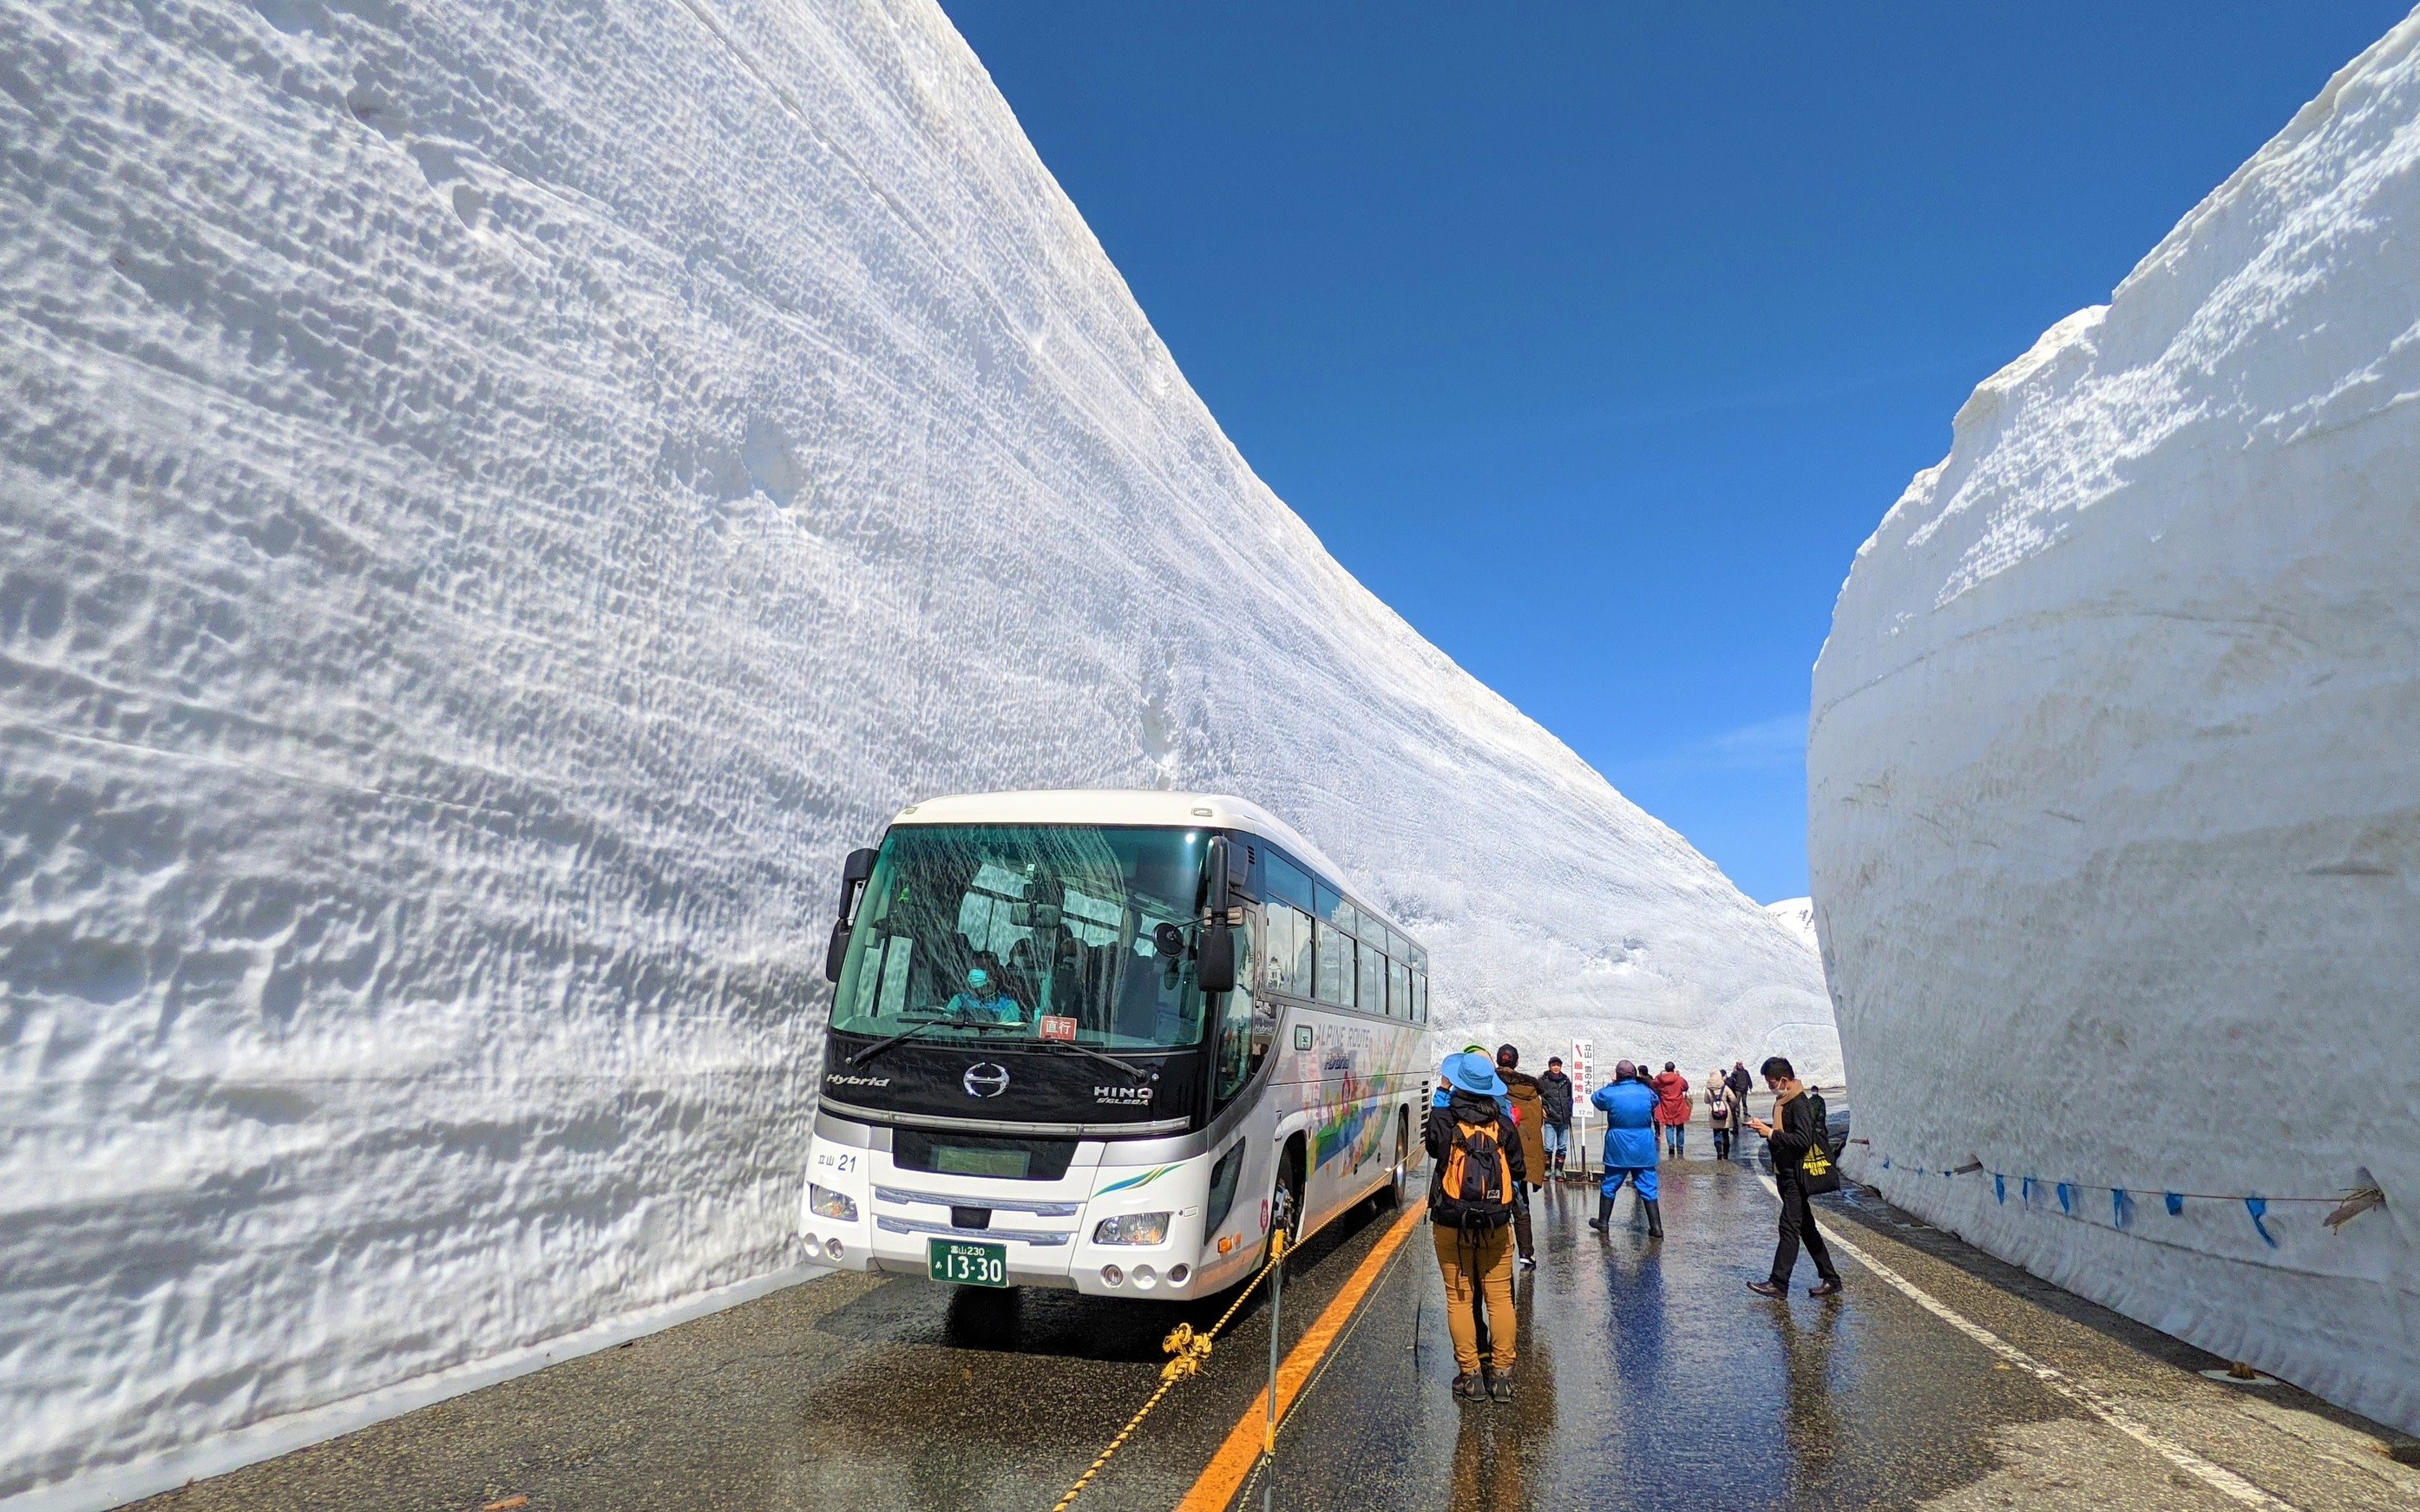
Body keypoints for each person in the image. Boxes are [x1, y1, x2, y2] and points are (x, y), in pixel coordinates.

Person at [1428, 1050, 1526, 1402]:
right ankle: (1502, 1376)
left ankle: (1470, 1376)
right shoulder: (1503, 1122)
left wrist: (1442, 1093)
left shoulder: (1446, 1117)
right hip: (1496, 1221)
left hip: (1451, 1219)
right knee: (1500, 1299)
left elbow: (1434, 1149)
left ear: (1458, 1082)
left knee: (1459, 1297)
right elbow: (1518, 1169)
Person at [1745, 1056, 1842, 1298]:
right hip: (1785, 1173)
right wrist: (1765, 1128)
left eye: (1771, 1082)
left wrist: (1771, 1134)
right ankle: (1831, 1278)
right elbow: (1786, 1133)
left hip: (1796, 1177)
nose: (1770, 1086)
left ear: (1783, 1080)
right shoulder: (1784, 1101)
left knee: (1788, 1226)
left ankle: (1779, 1283)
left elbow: (1802, 1140)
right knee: (1806, 1228)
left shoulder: (1798, 1103)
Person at [1587, 1060, 1663, 1237]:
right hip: (1643, 1143)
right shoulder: (1646, 1092)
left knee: (1610, 1184)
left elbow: (1596, 1099)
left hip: (1618, 1144)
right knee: (1648, 1185)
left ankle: (1603, 1222)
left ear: (1618, 1075)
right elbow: (1655, 1101)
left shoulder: (1611, 1092)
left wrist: (1612, 1084)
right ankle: (1656, 1227)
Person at [1496, 1045, 1546, 1271]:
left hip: (1494, 1156)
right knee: (1520, 1203)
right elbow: (1536, 1125)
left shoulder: (1489, 1085)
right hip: (1519, 1158)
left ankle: (1496, 1254)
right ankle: (1526, 1254)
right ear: (1516, 1063)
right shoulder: (1531, 1092)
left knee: (1493, 1201)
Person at [944, 952, 1025, 1024]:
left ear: (996, 975)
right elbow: (946, 1025)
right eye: (975, 968)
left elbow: (1007, 1033)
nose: (976, 972)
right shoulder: (960, 999)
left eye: (983, 969)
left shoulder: (1008, 1006)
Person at [1538, 1056, 1575, 1181]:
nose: (1556, 1067)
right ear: (1549, 1066)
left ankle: (1559, 1171)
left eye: (1558, 1065)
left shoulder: (1566, 1080)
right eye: (1554, 1065)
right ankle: (1547, 1170)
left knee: (1562, 1146)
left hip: (1564, 1118)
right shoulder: (1543, 1080)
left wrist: (1570, 1109)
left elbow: (1571, 1096)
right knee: (1548, 1146)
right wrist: (1541, 1108)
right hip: (1550, 1118)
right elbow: (1536, 1096)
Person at [1651, 1062, 1690, 1157]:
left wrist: (1660, 1074)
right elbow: (1685, 1087)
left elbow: (1653, 1084)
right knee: (1680, 1127)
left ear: (1665, 1069)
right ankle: (1680, 1149)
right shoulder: (1678, 1078)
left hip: (1666, 1104)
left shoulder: (1661, 1079)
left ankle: (1671, 1147)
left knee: (1669, 1126)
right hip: (1678, 1105)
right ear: (1673, 1069)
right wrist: (1678, 1075)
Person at [1726, 1061, 1755, 1161]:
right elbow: (1731, 1079)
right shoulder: (1735, 1073)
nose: (1740, 1066)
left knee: (1744, 1101)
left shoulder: (1745, 1072)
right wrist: (1733, 1071)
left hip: (1744, 1089)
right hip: (1738, 1089)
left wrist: (1750, 1086)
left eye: (1740, 1064)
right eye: (1738, 1064)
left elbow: (1748, 1078)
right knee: (1737, 1102)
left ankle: (1745, 1112)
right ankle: (1738, 1112)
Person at [1704, 1067, 1735, 1161]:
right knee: (1725, 1133)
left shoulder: (1708, 1088)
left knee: (1716, 1133)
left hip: (1714, 1113)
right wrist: (1729, 1106)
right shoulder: (1724, 1087)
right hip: (1725, 1113)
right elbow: (1733, 1099)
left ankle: (1719, 1153)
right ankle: (1726, 1154)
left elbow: (1706, 1100)